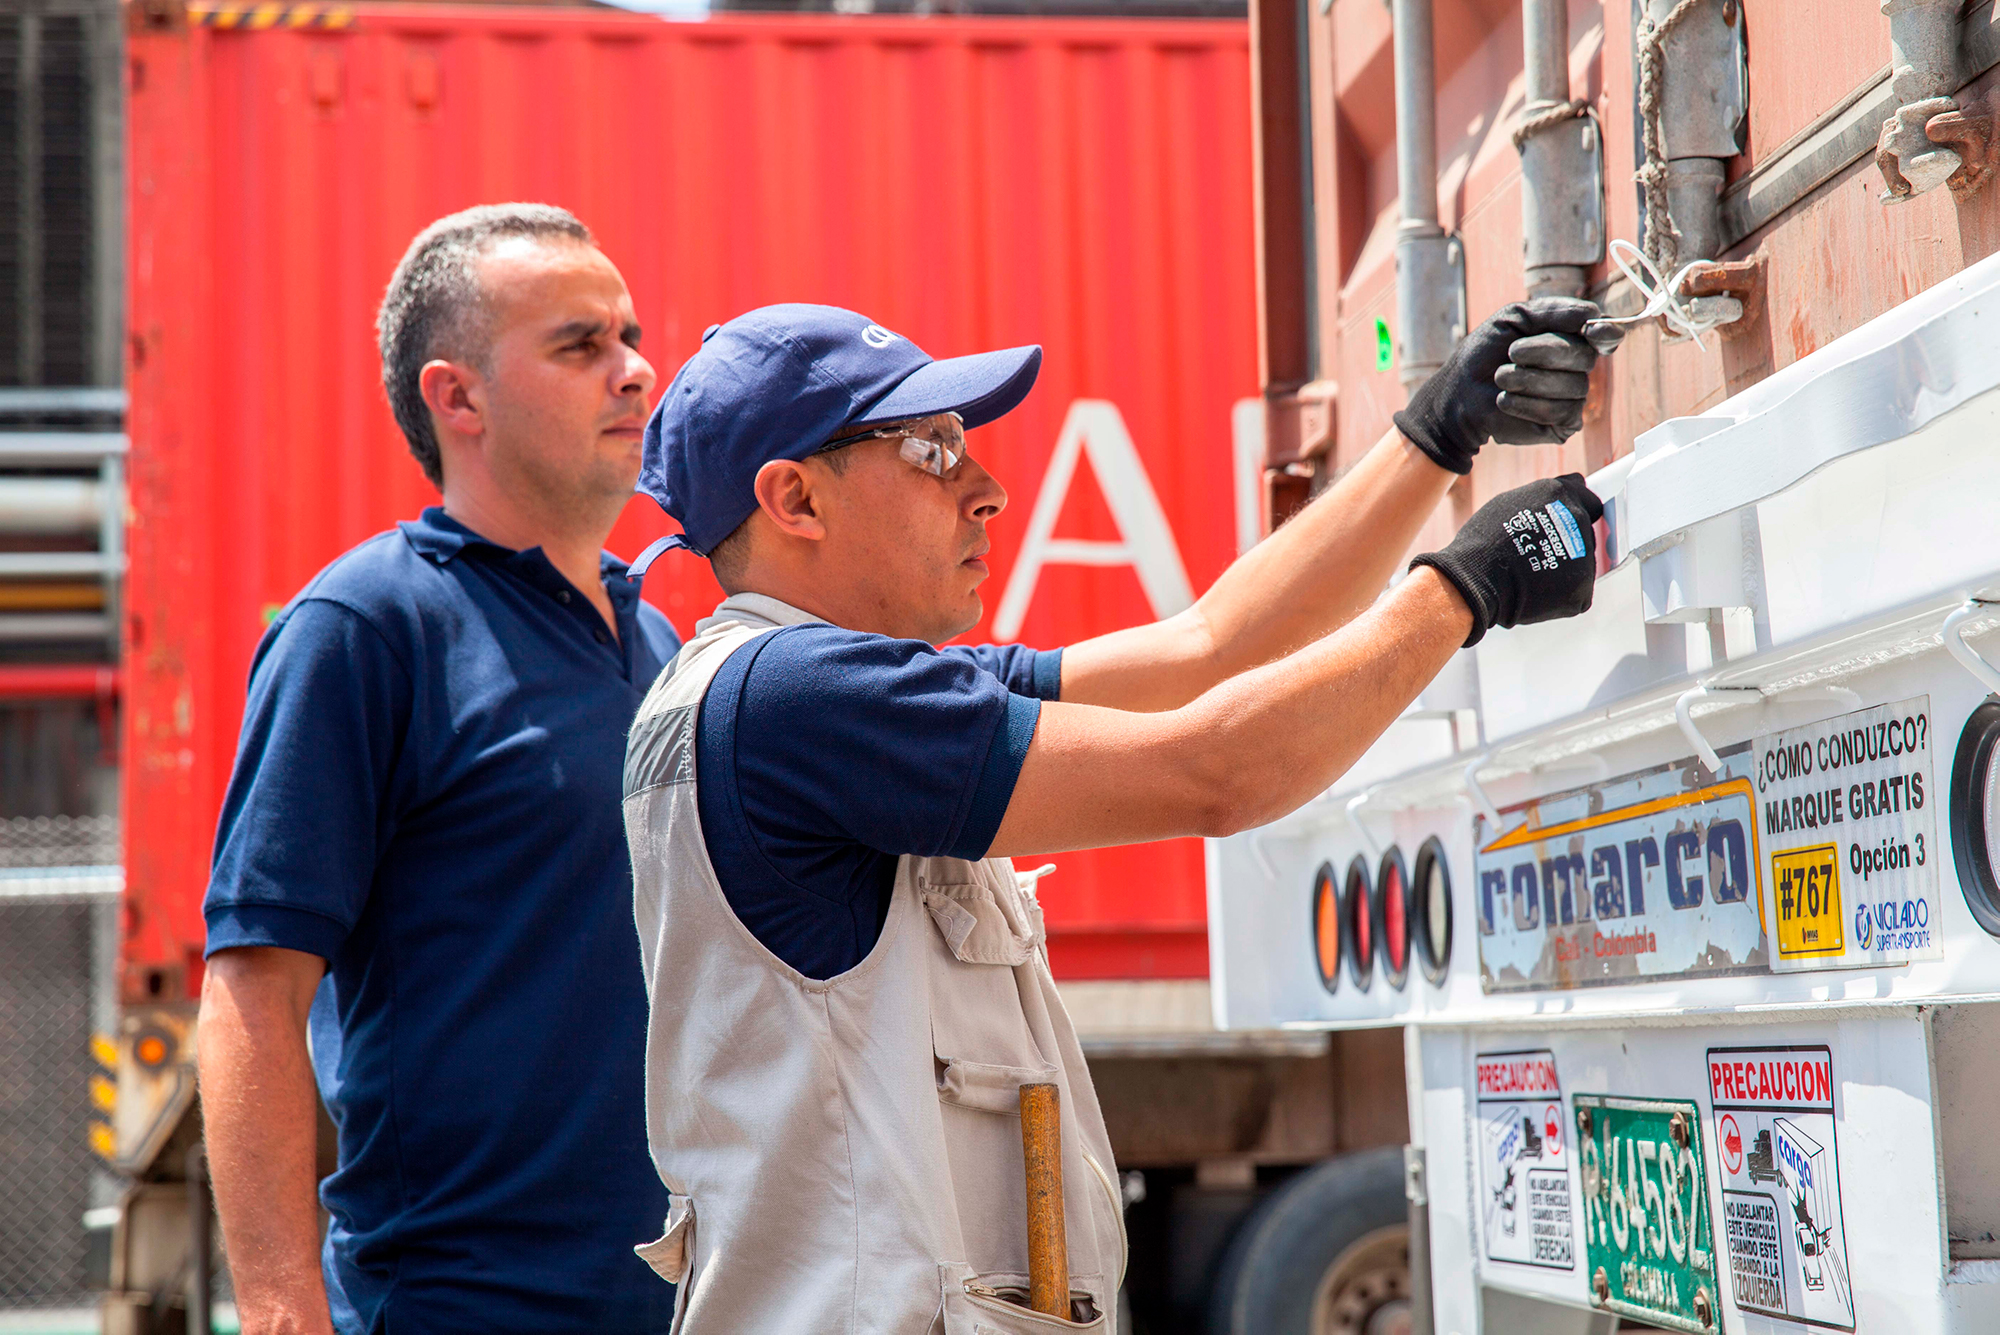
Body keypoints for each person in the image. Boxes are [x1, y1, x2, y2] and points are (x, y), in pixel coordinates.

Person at [618, 299, 1617, 1331]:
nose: (987, 489)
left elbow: (1211, 648)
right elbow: (1215, 773)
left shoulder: (775, 688)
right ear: (793, 499)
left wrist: (1433, 436)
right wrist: (1464, 588)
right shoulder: (803, 699)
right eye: (931, 450)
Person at [196, 204, 683, 1335]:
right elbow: (255, 993)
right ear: (455, 397)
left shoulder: (659, 643)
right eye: (580, 345)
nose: (634, 370)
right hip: (460, 1307)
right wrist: (279, 1311)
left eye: (629, 335)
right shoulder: (367, 626)